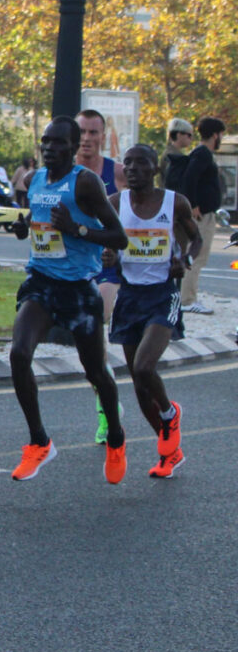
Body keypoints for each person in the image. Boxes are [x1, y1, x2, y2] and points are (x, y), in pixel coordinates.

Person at [8, 116, 128, 483]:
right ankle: (39, 442)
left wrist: (76, 229)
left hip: (78, 290)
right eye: (45, 141)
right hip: (41, 283)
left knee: (96, 373)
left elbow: (118, 237)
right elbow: (39, 217)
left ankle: (116, 437)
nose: (49, 148)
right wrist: (24, 226)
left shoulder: (86, 183)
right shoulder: (35, 179)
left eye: (58, 143)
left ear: (74, 148)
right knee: (17, 354)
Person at [103, 144, 201, 478]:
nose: (131, 169)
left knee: (145, 368)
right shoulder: (116, 204)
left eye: (140, 163)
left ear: (154, 169)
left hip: (162, 294)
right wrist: (110, 257)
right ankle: (169, 450)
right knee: (139, 384)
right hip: (129, 297)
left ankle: (170, 415)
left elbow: (196, 239)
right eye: (126, 163)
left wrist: (184, 260)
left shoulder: (175, 202)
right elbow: (108, 244)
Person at [75, 108, 126, 443]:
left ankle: (107, 413)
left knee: (98, 320)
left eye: (94, 133)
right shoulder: (61, 172)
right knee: (89, 352)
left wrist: (118, 251)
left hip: (107, 267)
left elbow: (137, 219)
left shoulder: (118, 173)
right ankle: (108, 400)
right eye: (83, 132)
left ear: (103, 136)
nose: (88, 139)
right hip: (74, 268)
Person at [178, 116, 226, 315]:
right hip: (201, 215)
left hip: (207, 213)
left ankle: (188, 296)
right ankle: (187, 299)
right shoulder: (202, 154)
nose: (221, 137)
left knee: (198, 256)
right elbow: (190, 177)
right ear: (214, 134)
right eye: (221, 134)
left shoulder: (203, 154)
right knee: (196, 255)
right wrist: (194, 204)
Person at [156, 117, 193, 189]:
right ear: (179, 134)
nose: (191, 139)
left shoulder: (170, 152)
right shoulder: (173, 156)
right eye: (189, 135)